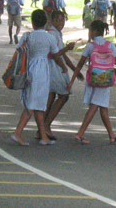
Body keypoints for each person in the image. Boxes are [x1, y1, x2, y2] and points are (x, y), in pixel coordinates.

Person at [11, 9, 71, 146]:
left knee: (38, 103)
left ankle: (43, 136)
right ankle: (18, 132)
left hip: (29, 68)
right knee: (34, 102)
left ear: (32, 23)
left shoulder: (27, 36)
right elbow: (56, 55)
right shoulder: (49, 37)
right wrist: (63, 67)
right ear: (46, 22)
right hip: (42, 70)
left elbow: (19, 51)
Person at [67, 20, 116, 144]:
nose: (89, 32)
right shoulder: (110, 45)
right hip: (105, 80)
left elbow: (80, 64)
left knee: (102, 108)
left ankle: (111, 135)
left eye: (90, 30)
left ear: (94, 32)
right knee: (96, 106)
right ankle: (80, 134)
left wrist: (72, 80)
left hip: (94, 79)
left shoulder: (90, 46)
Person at [44, 11, 83, 140]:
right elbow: (56, 54)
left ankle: (43, 127)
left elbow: (62, 55)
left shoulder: (56, 33)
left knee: (51, 96)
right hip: (54, 67)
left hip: (54, 67)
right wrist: (67, 50)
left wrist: (74, 69)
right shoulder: (53, 34)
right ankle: (46, 125)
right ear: (53, 20)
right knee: (62, 95)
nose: (61, 23)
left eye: (63, 20)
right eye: (59, 20)